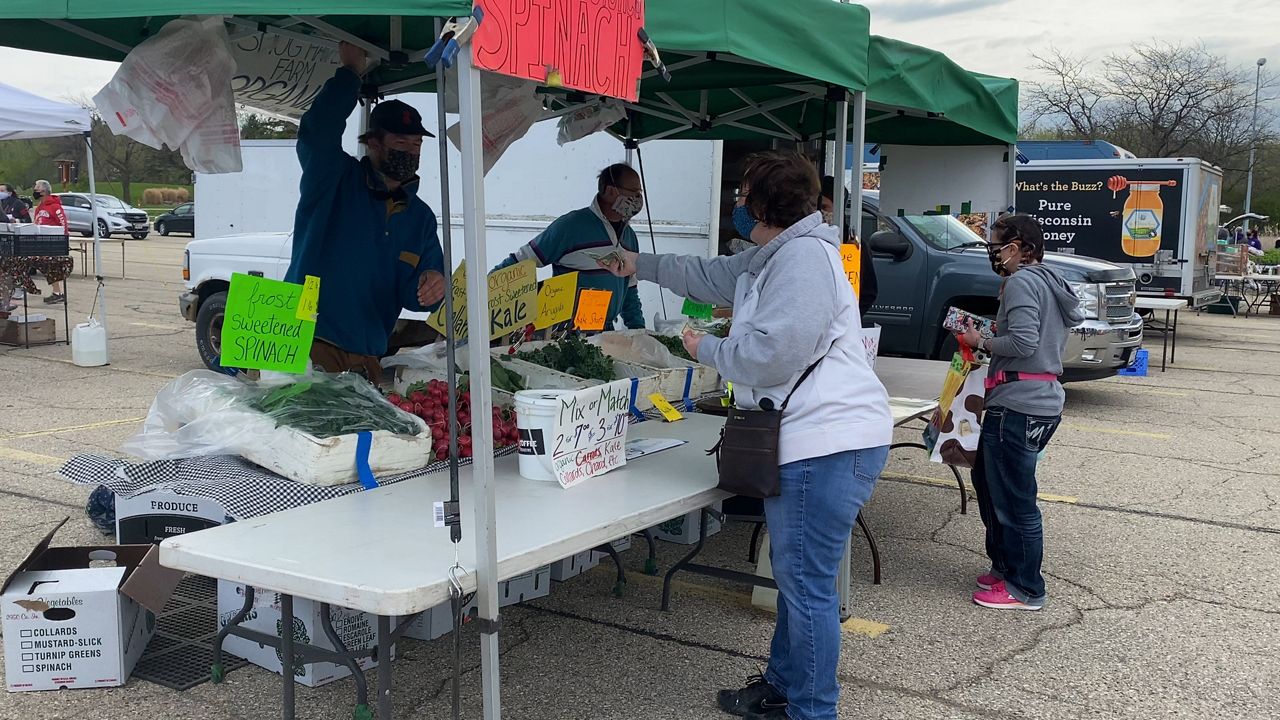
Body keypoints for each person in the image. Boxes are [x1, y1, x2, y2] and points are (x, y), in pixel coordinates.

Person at [603, 151, 892, 720]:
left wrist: (704, 348)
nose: (736, 203)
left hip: (828, 441)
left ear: (762, 204)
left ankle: (811, 709)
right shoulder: (777, 254)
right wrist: (637, 263)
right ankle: (784, 686)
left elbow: (772, 356)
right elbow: (712, 275)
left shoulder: (804, 259)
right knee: (799, 581)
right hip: (816, 438)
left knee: (807, 588)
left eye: (742, 195)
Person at [284, 42, 446, 382]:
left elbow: (416, 295)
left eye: (416, 144)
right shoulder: (332, 178)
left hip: (366, 358)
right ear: (372, 143)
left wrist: (434, 287)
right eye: (400, 143)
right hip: (307, 344)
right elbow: (317, 131)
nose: (411, 151)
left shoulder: (421, 218)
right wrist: (349, 75)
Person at [959, 213, 1083, 612]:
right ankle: (1006, 566)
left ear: (1015, 247)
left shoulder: (1021, 281)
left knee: (1014, 498)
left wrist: (982, 340)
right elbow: (1032, 334)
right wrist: (993, 334)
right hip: (1033, 399)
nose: (992, 252)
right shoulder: (1047, 280)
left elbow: (1025, 341)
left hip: (1020, 404)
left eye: (995, 244)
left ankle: (1026, 587)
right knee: (991, 484)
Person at [494, 164, 645, 330]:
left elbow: (630, 289)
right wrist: (482, 291)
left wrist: (638, 330)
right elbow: (521, 261)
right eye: (634, 192)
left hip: (607, 333)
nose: (638, 198)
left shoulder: (629, 236)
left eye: (640, 193)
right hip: (570, 335)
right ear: (610, 191)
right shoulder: (570, 226)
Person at [819, 175, 878, 319]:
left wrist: (847, 321)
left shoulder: (853, 245)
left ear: (839, 207)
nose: (819, 213)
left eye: (824, 207)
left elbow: (868, 293)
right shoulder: (803, 240)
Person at [30, 180, 71, 304]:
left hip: (53, 242)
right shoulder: (39, 207)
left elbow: (63, 224)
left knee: (51, 267)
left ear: (44, 191)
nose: (35, 190)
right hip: (40, 242)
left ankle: (57, 292)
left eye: (37, 188)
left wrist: (62, 241)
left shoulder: (55, 206)